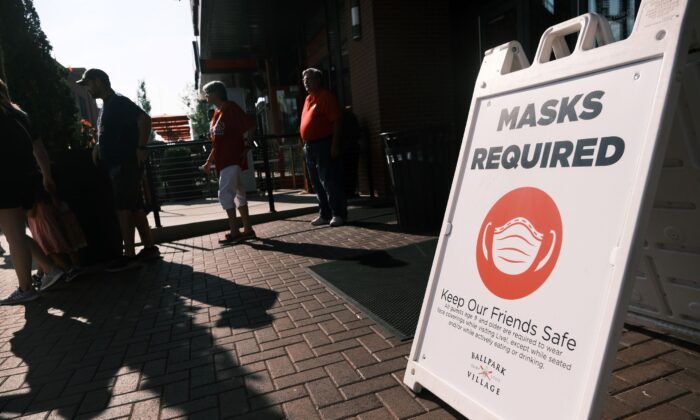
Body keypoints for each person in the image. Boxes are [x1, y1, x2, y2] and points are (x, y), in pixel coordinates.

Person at [77, 69, 159, 270]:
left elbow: (144, 119)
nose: (87, 89)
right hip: (119, 164)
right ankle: (149, 248)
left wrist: (141, 147)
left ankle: (129, 255)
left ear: (98, 81)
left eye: (88, 84)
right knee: (134, 207)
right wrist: (98, 145)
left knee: (123, 209)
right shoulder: (107, 105)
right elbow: (109, 132)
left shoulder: (119, 102)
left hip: (124, 163)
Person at [0, 78, 65, 304]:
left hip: (4, 182)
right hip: (28, 180)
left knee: (14, 236)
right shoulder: (22, 116)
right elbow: (40, 150)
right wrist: (46, 175)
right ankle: (50, 268)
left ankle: (25, 288)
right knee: (14, 232)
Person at [199, 81, 257, 244]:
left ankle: (235, 231)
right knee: (239, 194)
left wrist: (247, 146)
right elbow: (217, 144)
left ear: (217, 92)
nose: (206, 96)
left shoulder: (230, 108)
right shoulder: (217, 113)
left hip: (231, 159)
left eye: (208, 92)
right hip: (226, 161)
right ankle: (247, 229)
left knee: (225, 194)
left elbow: (250, 125)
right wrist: (208, 162)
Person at [300, 68, 346, 227]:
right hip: (310, 147)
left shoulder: (325, 96)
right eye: (304, 79)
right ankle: (324, 214)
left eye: (309, 78)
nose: (306, 81)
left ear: (318, 80)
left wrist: (334, 145)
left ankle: (338, 214)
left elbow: (336, 121)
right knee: (316, 183)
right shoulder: (308, 99)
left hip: (323, 144)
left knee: (328, 181)